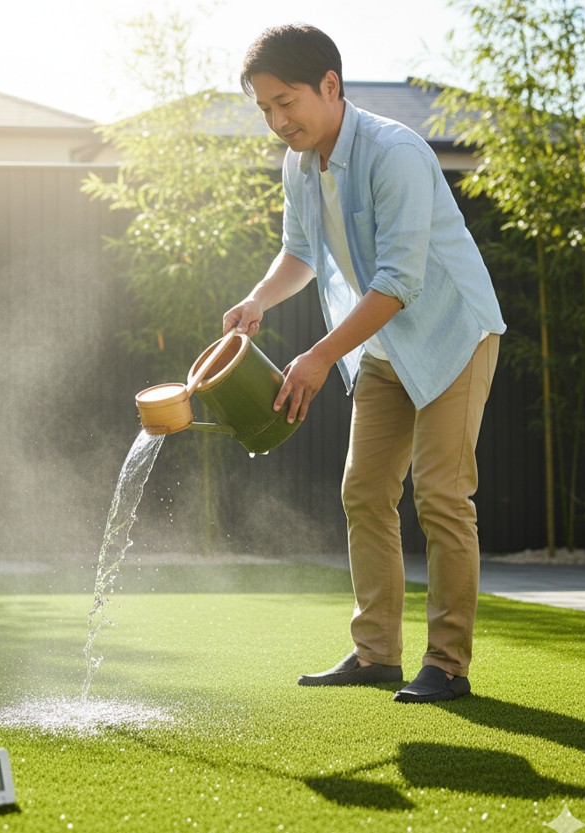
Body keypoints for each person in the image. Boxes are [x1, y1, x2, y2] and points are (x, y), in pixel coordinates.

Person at [223, 23, 506, 703]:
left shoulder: (395, 153)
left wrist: (320, 356)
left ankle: (447, 664)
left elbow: (399, 281)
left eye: (286, 102)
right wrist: (259, 300)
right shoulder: (300, 163)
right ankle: (376, 652)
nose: (277, 121)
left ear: (330, 84)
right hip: (382, 346)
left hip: (451, 334)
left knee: (441, 494)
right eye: (264, 109)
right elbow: (300, 252)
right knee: (364, 491)